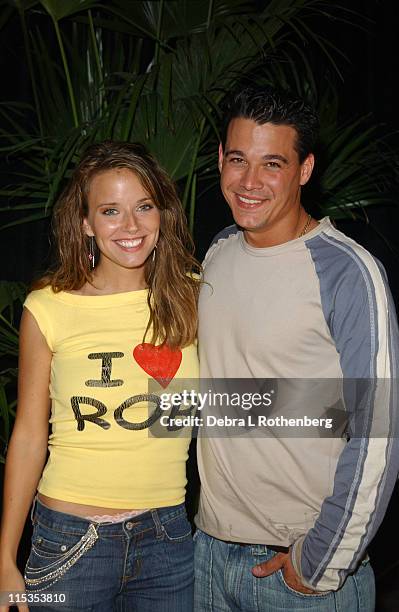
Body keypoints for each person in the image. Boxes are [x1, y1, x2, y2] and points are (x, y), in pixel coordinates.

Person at [194, 86, 399, 611]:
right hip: (207, 559)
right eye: (237, 160)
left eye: (272, 164)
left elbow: (380, 430)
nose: (249, 182)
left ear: (304, 170)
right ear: (220, 158)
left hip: (299, 573)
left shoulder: (347, 271)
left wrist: (319, 562)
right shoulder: (216, 252)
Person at [0, 141, 200, 611]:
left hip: (168, 539)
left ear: (162, 214)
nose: (130, 226)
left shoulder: (195, 296)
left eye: (144, 207)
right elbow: (29, 434)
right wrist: (5, 556)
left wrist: (339, 413)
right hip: (68, 542)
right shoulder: (49, 306)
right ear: (86, 223)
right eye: (111, 211)